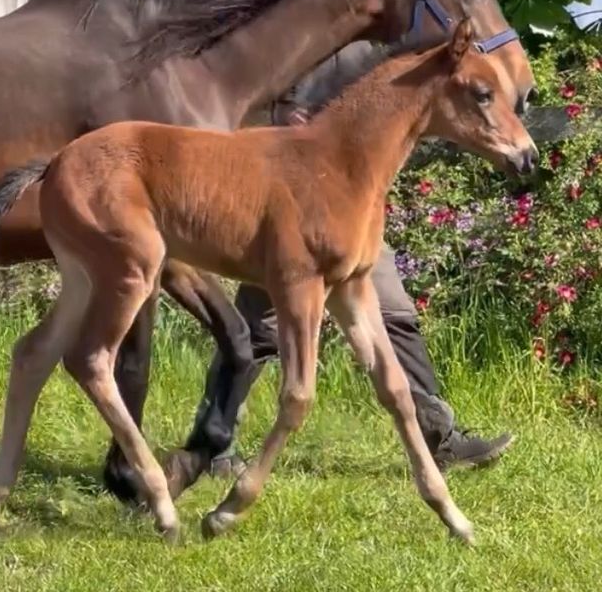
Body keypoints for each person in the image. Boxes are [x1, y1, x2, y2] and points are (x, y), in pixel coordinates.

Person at [184, 41, 514, 479]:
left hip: (353, 207)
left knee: (392, 312)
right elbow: (254, 97)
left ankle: (437, 437)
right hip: (291, 202)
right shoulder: (304, 29)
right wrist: (286, 114)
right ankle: (211, 447)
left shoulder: (387, 48)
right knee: (259, 325)